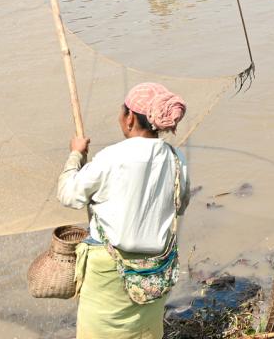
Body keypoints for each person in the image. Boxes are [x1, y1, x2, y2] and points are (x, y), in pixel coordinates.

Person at [57, 82, 189, 339]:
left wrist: (75, 155)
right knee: (144, 333)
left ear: (130, 119)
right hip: (155, 270)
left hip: (109, 269)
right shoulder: (176, 158)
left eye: (122, 111)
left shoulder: (112, 157)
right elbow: (180, 204)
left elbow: (69, 195)